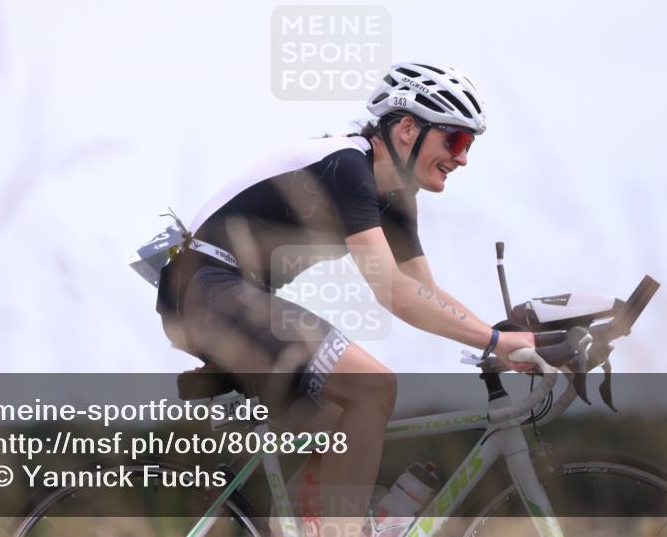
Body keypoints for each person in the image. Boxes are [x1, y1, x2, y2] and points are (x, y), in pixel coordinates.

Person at [155, 61, 535, 535]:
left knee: (341, 415)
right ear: (407, 129)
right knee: (373, 386)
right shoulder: (348, 167)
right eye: (454, 141)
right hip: (208, 289)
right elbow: (392, 291)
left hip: (226, 295)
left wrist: (506, 340)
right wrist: (495, 342)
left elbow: (425, 291)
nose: (462, 159)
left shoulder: (393, 196)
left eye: (468, 146)